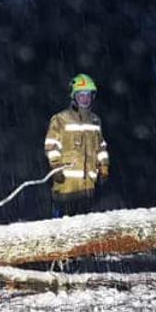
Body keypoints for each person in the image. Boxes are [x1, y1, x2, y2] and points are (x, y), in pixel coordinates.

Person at [45, 73, 110, 216]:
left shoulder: (95, 120)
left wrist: (104, 167)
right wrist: (56, 167)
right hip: (66, 188)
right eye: (81, 95)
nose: (85, 99)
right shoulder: (60, 119)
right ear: (74, 97)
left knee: (86, 229)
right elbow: (51, 145)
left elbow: (101, 147)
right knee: (65, 228)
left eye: (88, 95)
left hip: (88, 188)